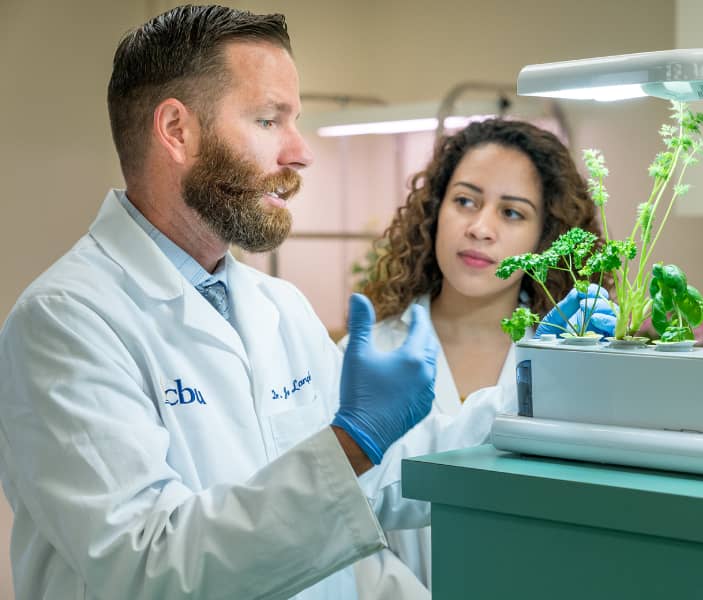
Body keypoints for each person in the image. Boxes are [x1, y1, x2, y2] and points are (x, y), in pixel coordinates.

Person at [0, 6, 446, 599]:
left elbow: (388, 473)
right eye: (268, 120)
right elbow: (148, 567)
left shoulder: (278, 306)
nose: (300, 152)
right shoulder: (64, 320)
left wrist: (542, 376)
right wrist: (350, 443)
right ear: (177, 131)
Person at [347, 119, 617, 599]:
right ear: (435, 211)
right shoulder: (367, 355)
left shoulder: (566, 360)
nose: (480, 228)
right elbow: (337, 515)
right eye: (465, 201)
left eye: (512, 213)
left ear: (544, 238)